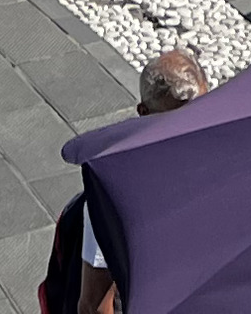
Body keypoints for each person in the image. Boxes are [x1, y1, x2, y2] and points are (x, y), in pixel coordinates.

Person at [40, 48, 212, 314]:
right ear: (143, 112)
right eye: (177, 122)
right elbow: (93, 307)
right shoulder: (117, 190)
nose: (192, 133)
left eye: (201, 115)